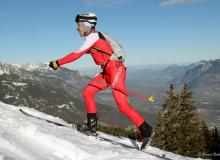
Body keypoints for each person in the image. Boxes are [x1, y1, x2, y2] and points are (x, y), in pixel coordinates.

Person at [49, 12, 152, 149]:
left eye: (79, 25)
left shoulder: (93, 36)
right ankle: (92, 127)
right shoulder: (93, 38)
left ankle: (147, 130)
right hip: (107, 72)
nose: (77, 28)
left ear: (86, 25)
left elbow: (76, 54)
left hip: (116, 70)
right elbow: (87, 51)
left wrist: (57, 62)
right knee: (88, 92)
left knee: (122, 105)